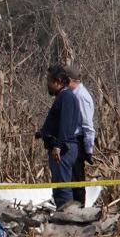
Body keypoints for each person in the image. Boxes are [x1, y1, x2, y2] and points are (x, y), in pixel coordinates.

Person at [38, 65, 82, 209]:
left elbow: (66, 124)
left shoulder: (67, 97)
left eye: (49, 81)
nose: (47, 84)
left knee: (63, 188)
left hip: (63, 150)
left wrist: (58, 146)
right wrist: (43, 132)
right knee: (58, 187)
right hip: (60, 148)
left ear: (57, 81)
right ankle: (61, 215)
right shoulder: (62, 97)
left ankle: (68, 218)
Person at [63, 65, 95, 206]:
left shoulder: (81, 96)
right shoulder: (74, 94)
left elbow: (88, 126)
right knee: (71, 179)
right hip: (72, 141)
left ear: (69, 80)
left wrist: (88, 150)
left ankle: (80, 209)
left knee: (77, 179)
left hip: (79, 141)